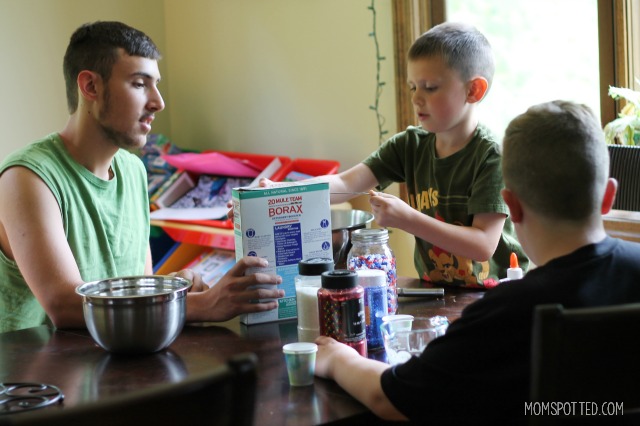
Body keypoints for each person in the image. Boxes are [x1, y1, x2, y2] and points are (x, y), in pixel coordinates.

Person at [314, 100, 640, 425]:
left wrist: (337, 359)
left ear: (511, 205)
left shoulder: (508, 311)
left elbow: (390, 399)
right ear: (608, 197)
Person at [0, 21, 283, 333]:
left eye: (156, 84)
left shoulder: (133, 171)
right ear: (91, 87)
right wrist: (204, 304)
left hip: (114, 365)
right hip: (34, 375)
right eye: (139, 84)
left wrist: (173, 286)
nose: (158, 102)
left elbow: (132, 289)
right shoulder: (27, 177)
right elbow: (65, 305)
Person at [264, 22, 527, 288]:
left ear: (473, 91)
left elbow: (483, 245)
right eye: (413, 87)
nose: (416, 98)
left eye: (430, 87)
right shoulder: (409, 145)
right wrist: (277, 194)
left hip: (493, 297)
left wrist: (406, 218)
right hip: (435, 292)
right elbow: (345, 184)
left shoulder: (490, 156)